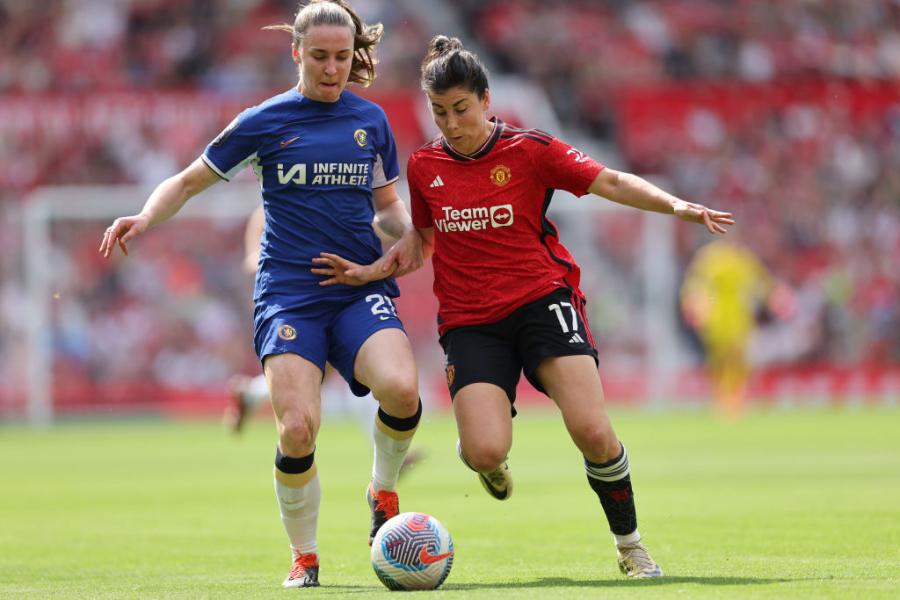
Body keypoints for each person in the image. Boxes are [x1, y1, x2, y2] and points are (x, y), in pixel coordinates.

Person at [312, 35, 734, 579]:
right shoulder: (423, 167)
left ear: (486, 100)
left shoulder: (530, 150)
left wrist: (674, 205)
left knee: (594, 432)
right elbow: (421, 241)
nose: (451, 123)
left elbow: (607, 179)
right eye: (439, 112)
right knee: (484, 451)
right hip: (470, 322)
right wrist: (371, 270)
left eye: (461, 109)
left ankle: (631, 547)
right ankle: (489, 459)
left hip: (542, 301)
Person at [99, 0, 425, 588]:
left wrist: (416, 236)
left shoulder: (371, 121)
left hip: (355, 287)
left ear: (355, 57)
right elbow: (189, 180)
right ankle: (304, 556)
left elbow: (387, 206)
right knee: (297, 428)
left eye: (342, 57)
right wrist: (146, 216)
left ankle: (382, 490)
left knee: (402, 390)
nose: (331, 68)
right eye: (320, 56)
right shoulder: (264, 121)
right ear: (296, 52)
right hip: (290, 295)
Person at [680, 236, 790, 416]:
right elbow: (697, 286)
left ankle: (733, 400)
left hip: (736, 318)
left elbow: (759, 283)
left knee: (736, 360)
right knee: (723, 359)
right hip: (719, 318)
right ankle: (725, 400)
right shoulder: (713, 258)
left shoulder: (733, 258)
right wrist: (695, 305)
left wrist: (774, 296)